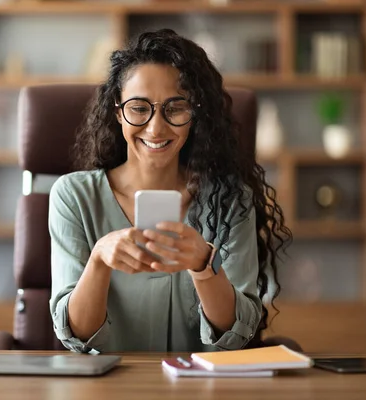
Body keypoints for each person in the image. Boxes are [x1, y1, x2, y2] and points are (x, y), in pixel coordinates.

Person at [48, 29, 291, 353]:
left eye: (175, 108)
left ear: (195, 114)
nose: (156, 127)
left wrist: (205, 265)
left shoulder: (230, 199)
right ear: (118, 111)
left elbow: (238, 334)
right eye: (139, 108)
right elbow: (75, 336)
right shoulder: (73, 196)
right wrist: (99, 260)